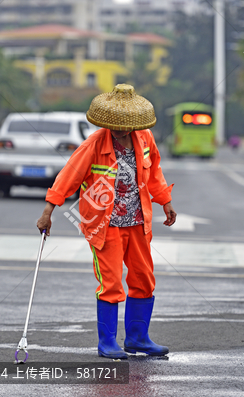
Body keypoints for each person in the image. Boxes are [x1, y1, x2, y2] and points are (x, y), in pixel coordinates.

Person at [36, 84, 177, 359]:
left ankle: (138, 339)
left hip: (137, 223)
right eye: (114, 126)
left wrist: (166, 201)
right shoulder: (94, 143)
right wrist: (47, 212)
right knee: (110, 284)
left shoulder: (146, 139)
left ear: (134, 124)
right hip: (106, 225)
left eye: (124, 126)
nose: (119, 131)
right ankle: (107, 343)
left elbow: (155, 172)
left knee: (144, 280)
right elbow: (69, 176)